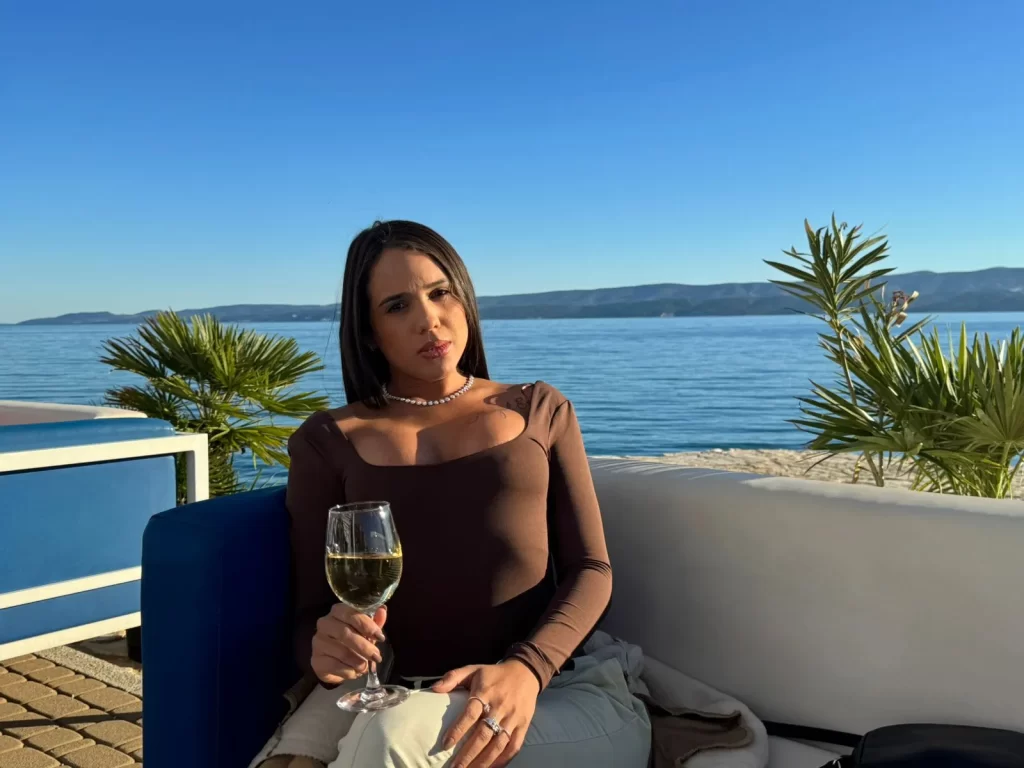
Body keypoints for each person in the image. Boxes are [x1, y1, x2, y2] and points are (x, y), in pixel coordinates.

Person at [252, 221, 651, 768]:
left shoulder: (539, 409)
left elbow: (591, 569)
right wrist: (325, 650)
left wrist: (527, 669)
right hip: (397, 691)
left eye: (440, 293)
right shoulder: (327, 440)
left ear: (465, 299)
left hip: (556, 688)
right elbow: (310, 615)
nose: (429, 319)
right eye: (397, 306)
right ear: (368, 332)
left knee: (389, 737)